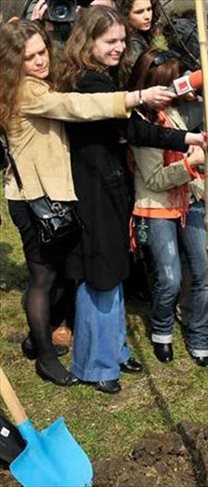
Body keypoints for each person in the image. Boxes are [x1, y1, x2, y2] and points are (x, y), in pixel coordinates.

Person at [0, 19, 170, 387]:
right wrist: (136, 98)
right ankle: (45, 355)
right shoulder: (26, 91)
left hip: (52, 195)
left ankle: (37, 336)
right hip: (33, 200)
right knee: (44, 277)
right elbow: (75, 106)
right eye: (29, 58)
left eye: (43, 50)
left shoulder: (39, 81)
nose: (41, 61)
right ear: (15, 64)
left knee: (59, 273)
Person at [59, 6, 174, 393]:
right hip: (92, 188)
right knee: (100, 274)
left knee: (113, 269)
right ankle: (95, 363)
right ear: (88, 41)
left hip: (109, 184)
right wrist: (187, 139)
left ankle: (115, 348)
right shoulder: (87, 84)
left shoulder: (103, 77)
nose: (120, 47)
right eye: (111, 41)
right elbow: (136, 131)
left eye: (123, 40)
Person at [128, 49, 208, 367]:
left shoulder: (174, 110)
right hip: (156, 207)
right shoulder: (138, 123)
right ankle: (162, 331)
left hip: (190, 201)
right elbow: (156, 179)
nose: (171, 92)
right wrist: (193, 164)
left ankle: (199, 336)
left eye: (175, 85)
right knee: (170, 278)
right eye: (166, 85)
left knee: (204, 272)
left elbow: (197, 109)